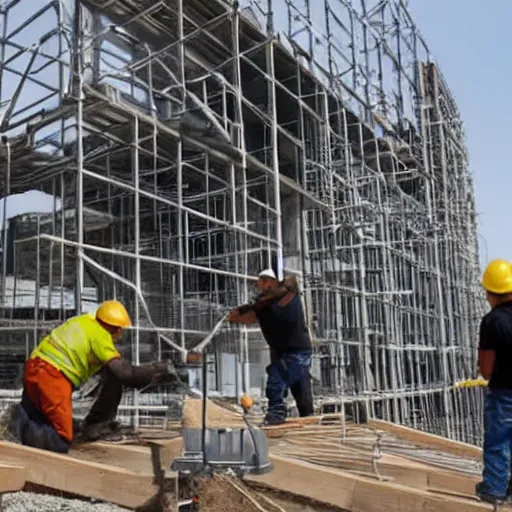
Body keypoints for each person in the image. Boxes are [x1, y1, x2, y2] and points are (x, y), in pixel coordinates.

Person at [2, 300, 181, 453]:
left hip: (34, 366)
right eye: (121, 330)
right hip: (53, 376)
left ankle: (22, 418)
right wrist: (157, 370)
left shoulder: (84, 320)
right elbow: (126, 374)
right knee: (61, 440)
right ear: (116, 329)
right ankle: (19, 422)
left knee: (39, 418)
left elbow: (108, 372)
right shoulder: (101, 337)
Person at [228, 268, 314, 425]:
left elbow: (289, 284)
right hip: (283, 353)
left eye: (264, 281)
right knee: (300, 392)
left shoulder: (288, 293)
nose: (259, 284)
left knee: (276, 385)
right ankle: (309, 421)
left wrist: (253, 304)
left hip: (296, 352)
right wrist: (235, 317)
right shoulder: (264, 306)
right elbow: (251, 316)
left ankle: (276, 418)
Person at [476, 259, 512, 504]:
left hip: (504, 393)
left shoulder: (492, 322)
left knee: (499, 441)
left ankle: (495, 491)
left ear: (490, 293)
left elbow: (486, 369)